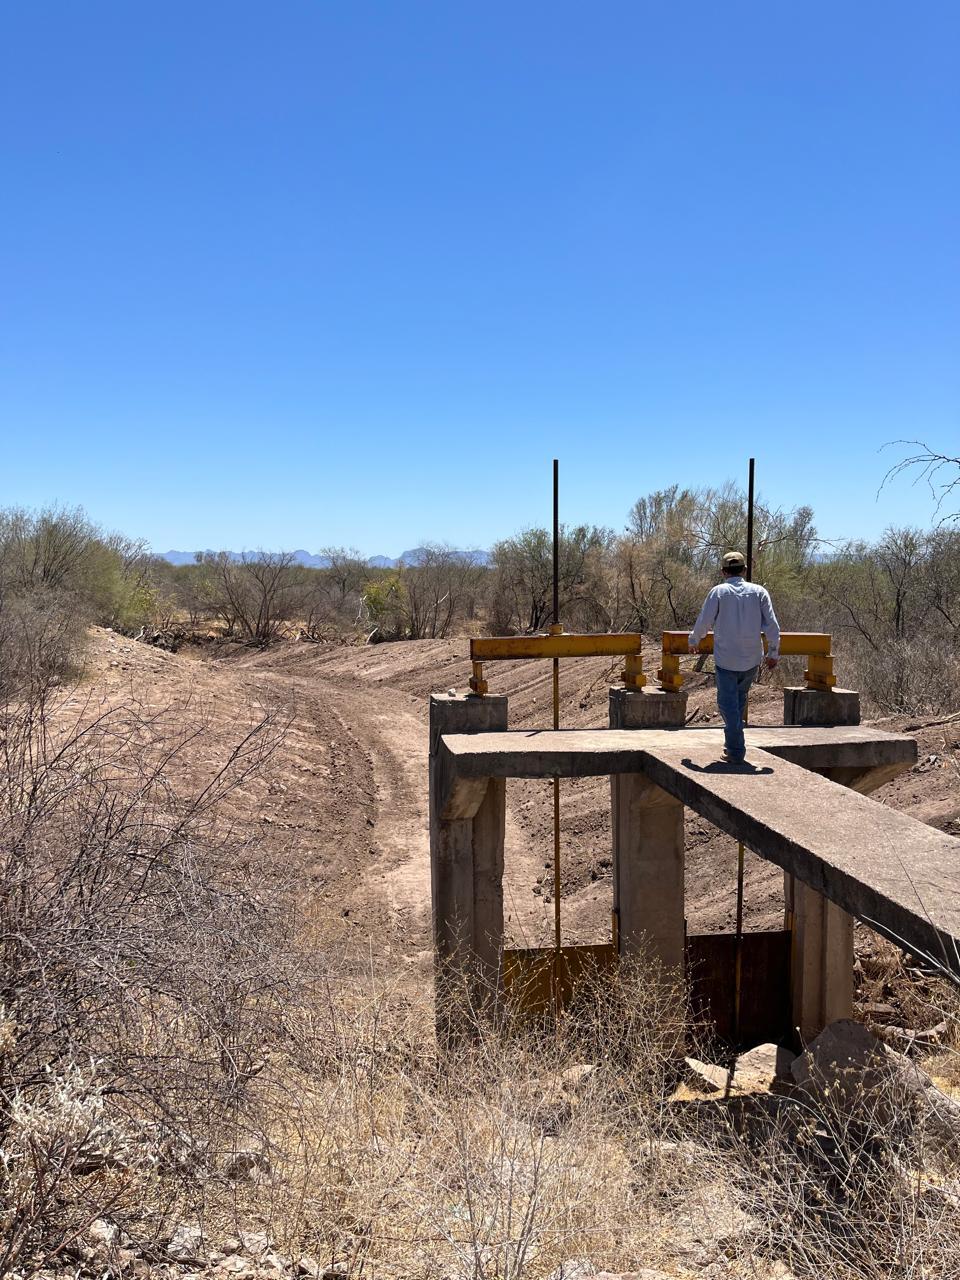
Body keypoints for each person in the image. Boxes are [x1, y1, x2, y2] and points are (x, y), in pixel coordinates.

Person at [688, 551, 780, 764]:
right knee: (738, 700)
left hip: (726, 658)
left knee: (727, 704)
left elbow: (705, 620)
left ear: (723, 571)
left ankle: (736, 749)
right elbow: (772, 625)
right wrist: (773, 652)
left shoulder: (718, 592)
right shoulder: (759, 592)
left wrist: (694, 640)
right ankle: (733, 745)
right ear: (745, 570)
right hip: (751, 659)